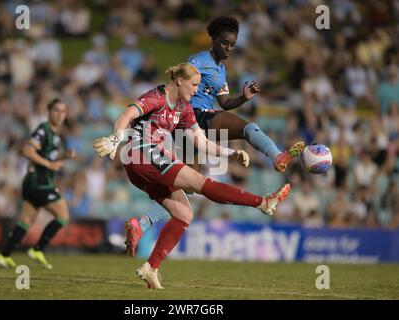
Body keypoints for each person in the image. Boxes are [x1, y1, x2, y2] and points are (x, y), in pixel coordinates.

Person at [93, 63, 290, 289]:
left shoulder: (184, 108)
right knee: (199, 183)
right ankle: (263, 203)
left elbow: (201, 141)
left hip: (141, 166)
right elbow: (127, 114)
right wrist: (116, 138)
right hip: (140, 153)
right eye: (194, 85)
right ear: (179, 81)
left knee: (184, 214)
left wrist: (231, 153)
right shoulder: (157, 96)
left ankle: (151, 267)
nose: (197, 90)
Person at [124, 16, 304, 256]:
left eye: (232, 45)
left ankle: (141, 224)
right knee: (247, 129)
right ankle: (277, 156)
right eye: (225, 43)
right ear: (214, 40)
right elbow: (181, 82)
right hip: (193, 116)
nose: (228, 48)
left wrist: (243, 98)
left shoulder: (221, 69)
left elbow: (225, 103)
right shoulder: (198, 61)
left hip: (190, 124)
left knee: (186, 187)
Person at [0, 98, 76, 270]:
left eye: (63, 111)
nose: (60, 114)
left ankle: (4, 255)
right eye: (56, 110)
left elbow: (50, 157)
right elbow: (27, 150)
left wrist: (64, 155)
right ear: (48, 112)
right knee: (63, 216)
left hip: (34, 181)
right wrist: (49, 165)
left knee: (26, 220)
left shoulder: (55, 136)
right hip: (39, 181)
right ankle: (37, 249)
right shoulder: (43, 130)